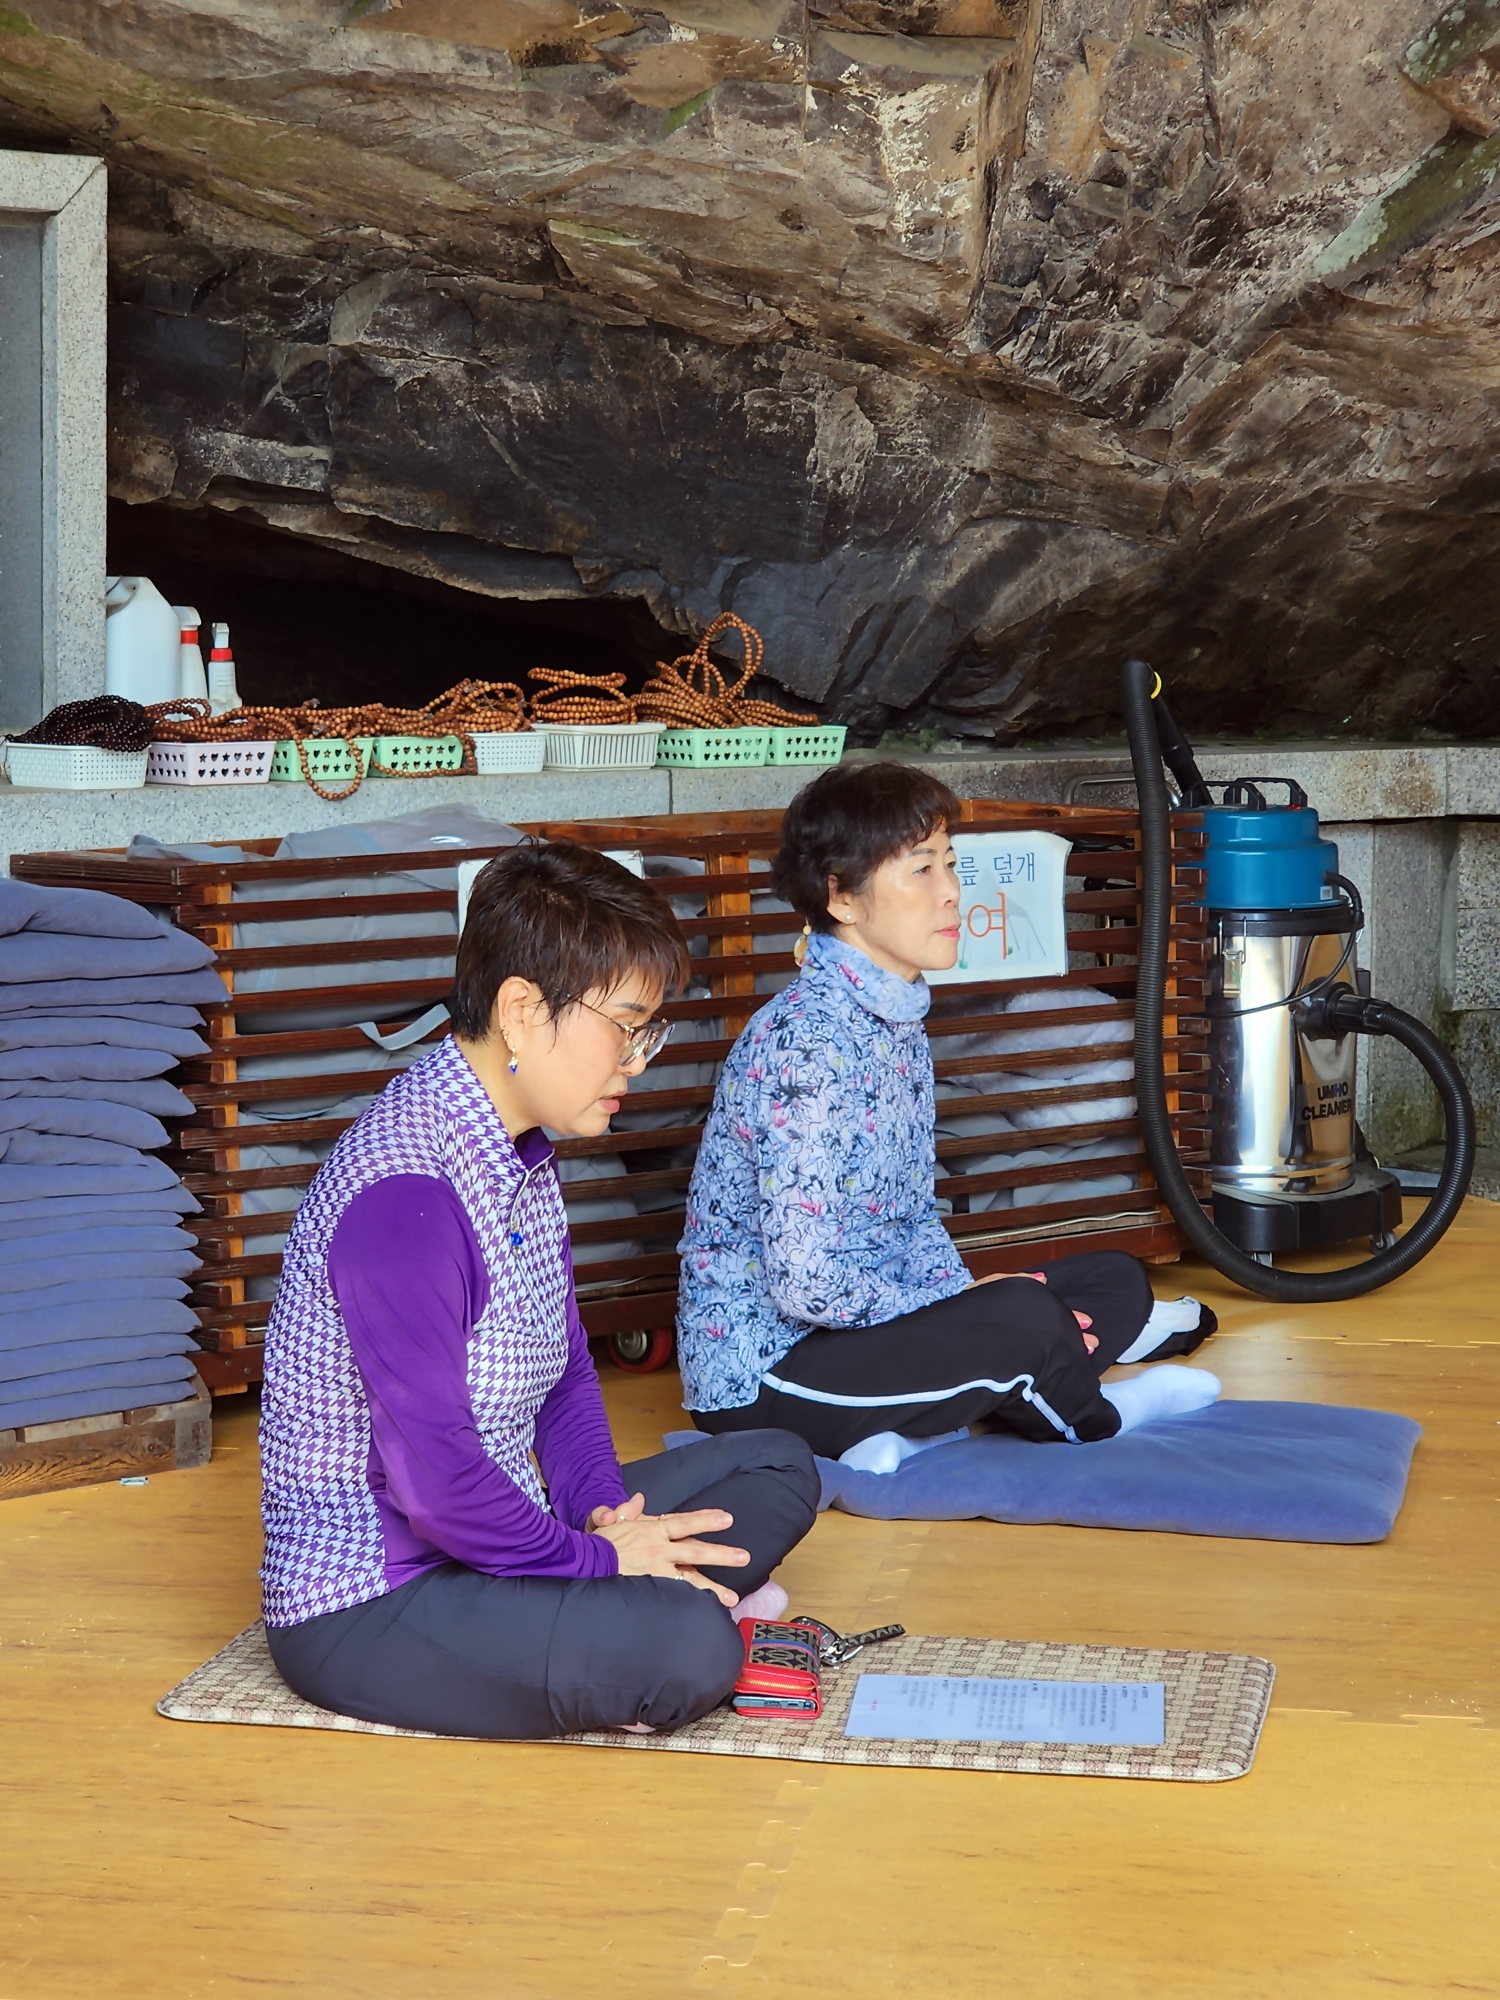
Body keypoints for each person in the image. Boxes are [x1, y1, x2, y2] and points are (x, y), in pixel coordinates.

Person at [260, 840, 819, 1739]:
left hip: (511, 1522)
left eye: (649, 1030)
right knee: (692, 1650)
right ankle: (658, 1618)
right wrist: (601, 1560)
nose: (637, 1060)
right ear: (521, 1011)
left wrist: (604, 1513)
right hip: (380, 1598)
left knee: (780, 1464)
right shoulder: (405, 1199)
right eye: (625, 1025)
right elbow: (437, 1493)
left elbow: (564, 1376)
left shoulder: (521, 1150)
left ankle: (631, 1613)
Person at [676, 763, 1220, 1471]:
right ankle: (1101, 1415)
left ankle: (943, 1410)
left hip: (869, 1331)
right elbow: (805, 1283)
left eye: (952, 864)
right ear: (841, 896)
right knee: (1024, 1319)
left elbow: (911, 1217)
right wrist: (953, 1308)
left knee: (1112, 1279)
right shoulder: (806, 1047)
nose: (952, 891)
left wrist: (958, 1298)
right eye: (922, 869)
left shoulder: (895, 1018)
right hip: (771, 1373)